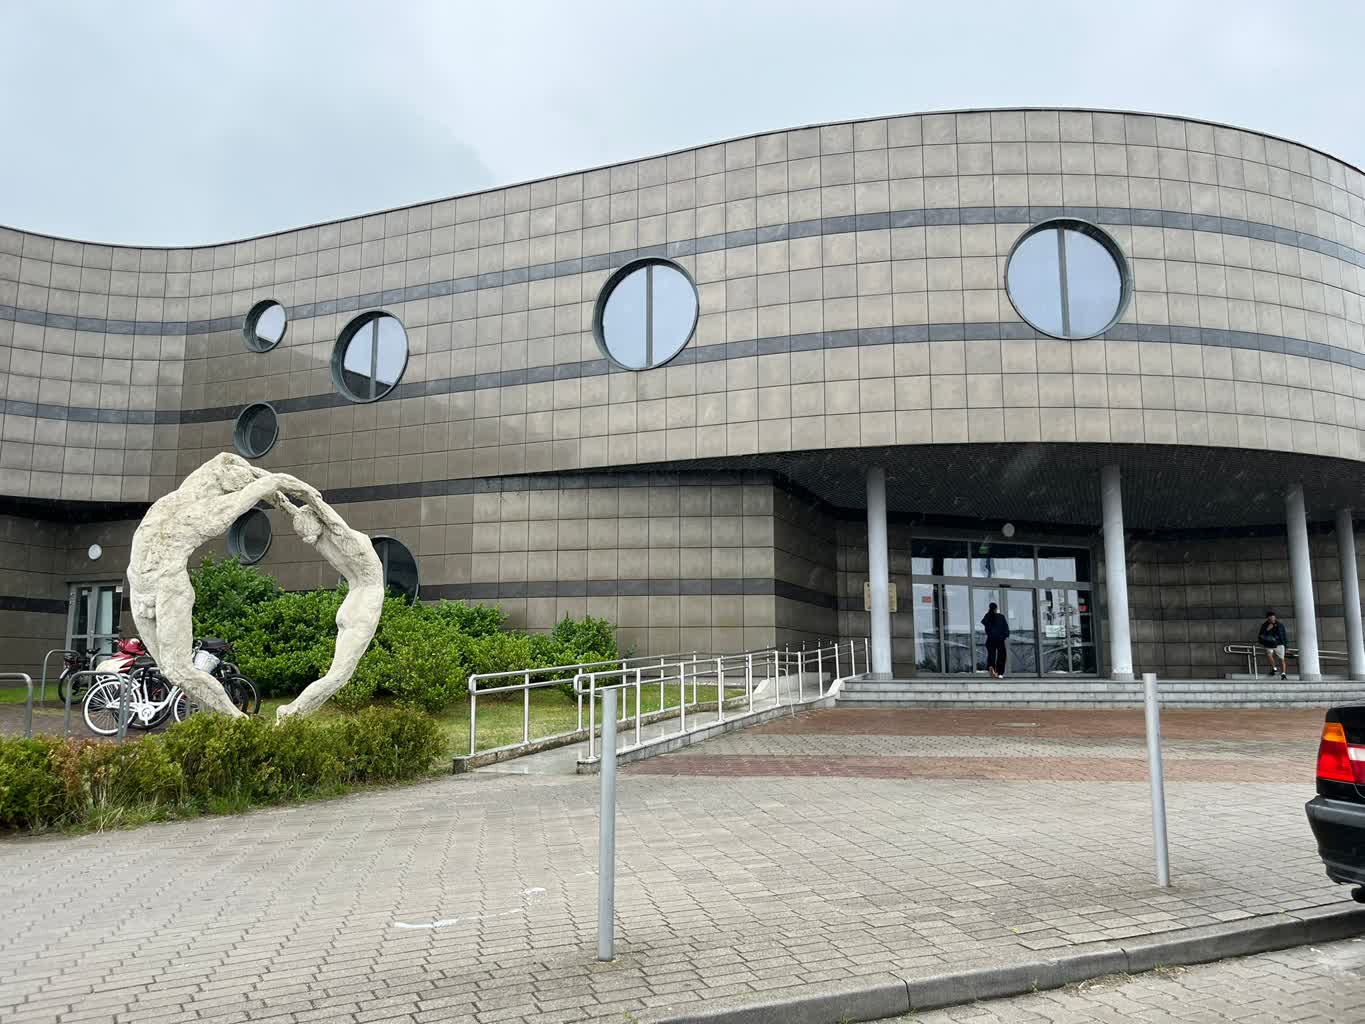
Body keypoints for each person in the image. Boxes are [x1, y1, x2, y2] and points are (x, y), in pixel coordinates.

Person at [1258, 610, 1289, 680]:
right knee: (1269, 654)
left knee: (1281, 659)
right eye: (1271, 618)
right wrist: (1267, 629)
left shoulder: (1280, 625)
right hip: (1269, 643)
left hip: (1279, 643)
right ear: (1268, 618)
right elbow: (1261, 635)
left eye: (1273, 617)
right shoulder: (1264, 625)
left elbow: (1284, 635)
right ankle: (1274, 668)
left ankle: (1283, 674)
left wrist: (1286, 646)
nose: (1272, 619)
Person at [981, 602, 1010, 678]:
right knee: (1001, 655)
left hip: (990, 639)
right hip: (1000, 639)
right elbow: (1006, 629)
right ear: (996, 609)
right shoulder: (1001, 617)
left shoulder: (988, 616)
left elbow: (984, 622)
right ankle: (999, 672)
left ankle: (992, 667)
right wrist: (1004, 636)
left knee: (991, 655)